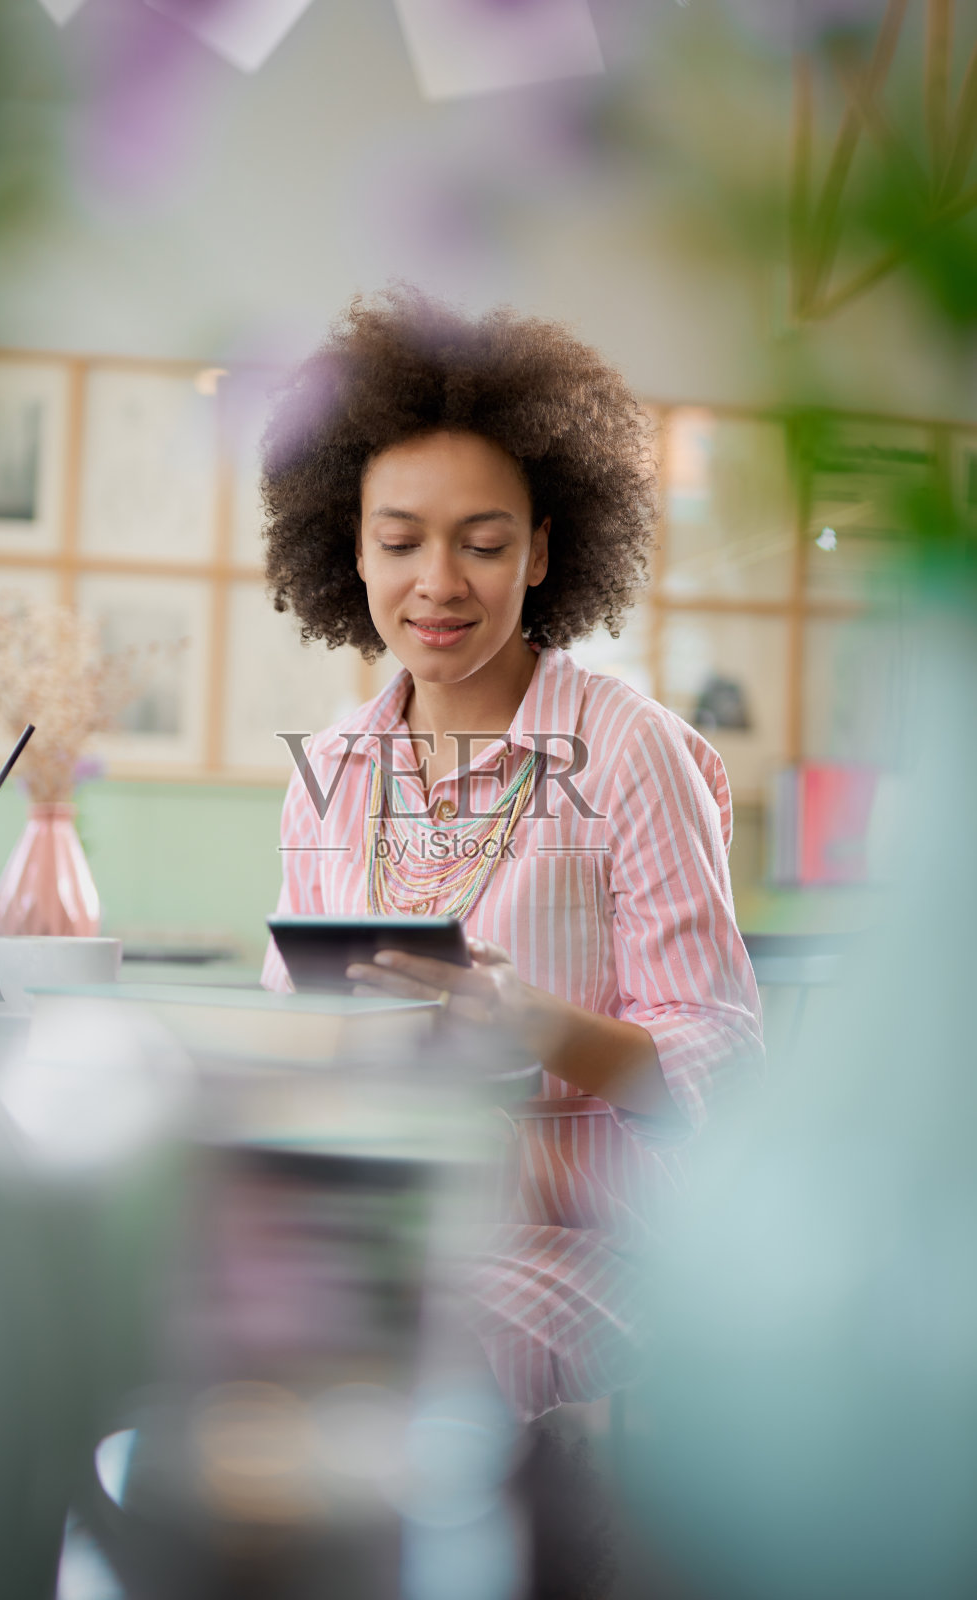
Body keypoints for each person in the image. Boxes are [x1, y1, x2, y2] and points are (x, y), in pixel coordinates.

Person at [259, 290, 763, 1420]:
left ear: (542, 549)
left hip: (591, 1253)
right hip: (392, 1229)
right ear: (350, 548)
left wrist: (530, 1024)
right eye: (399, 541)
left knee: (428, 1362)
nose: (438, 581)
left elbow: (723, 1064)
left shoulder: (632, 752)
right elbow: (294, 1028)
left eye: (483, 542)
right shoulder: (329, 769)